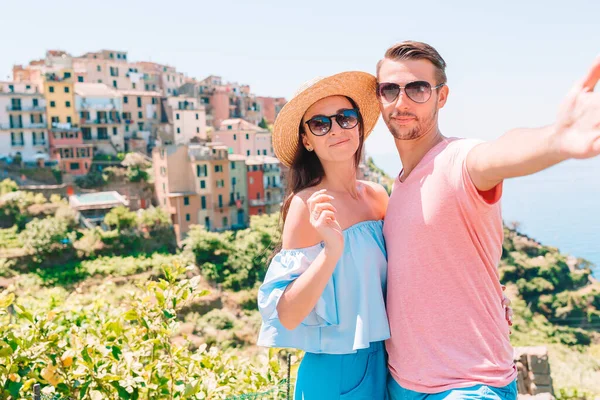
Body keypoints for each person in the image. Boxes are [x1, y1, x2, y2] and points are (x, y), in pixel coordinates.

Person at [378, 41, 600, 400]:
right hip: (402, 383)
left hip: (467, 386)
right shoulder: (398, 186)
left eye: (418, 88)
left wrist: (557, 139)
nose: (402, 102)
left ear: (441, 96)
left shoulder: (459, 160)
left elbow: (497, 154)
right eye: (390, 89)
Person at [257, 71, 391, 399]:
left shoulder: (378, 196)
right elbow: (287, 315)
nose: (336, 129)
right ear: (307, 139)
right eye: (320, 124)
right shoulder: (307, 206)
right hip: (335, 373)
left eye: (345, 118)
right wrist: (331, 251)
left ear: (359, 125)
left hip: (391, 362)